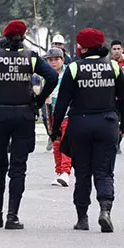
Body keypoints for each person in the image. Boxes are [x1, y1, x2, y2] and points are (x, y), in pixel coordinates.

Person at [0, 20, 58, 230]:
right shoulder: (31, 57)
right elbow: (53, 76)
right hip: (24, 116)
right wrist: (39, 101)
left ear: (5, 37)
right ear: (23, 37)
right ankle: (12, 216)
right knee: (18, 168)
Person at [51, 28, 124, 232]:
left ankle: (82, 218)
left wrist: (56, 128)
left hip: (80, 124)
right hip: (107, 123)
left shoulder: (74, 68)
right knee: (104, 171)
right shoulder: (113, 67)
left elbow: (62, 102)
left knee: (83, 173)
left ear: (84, 47)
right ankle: (105, 210)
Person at [41, 47, 72, 188]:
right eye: (50, 60)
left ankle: (66, 172)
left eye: (56, 59)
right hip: (52, 115)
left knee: (66, 142)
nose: (53, 62)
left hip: (67, 114)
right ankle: (58, 171)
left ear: (62, 60)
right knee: (56, 143)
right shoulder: (47, 76)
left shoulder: (69, 73)